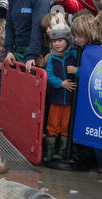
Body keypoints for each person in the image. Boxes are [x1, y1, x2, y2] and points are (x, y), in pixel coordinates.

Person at [43, 23, 78, 162]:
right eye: (54, 41)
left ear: (67, 41)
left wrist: (76, 70)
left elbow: (82, 69)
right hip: (56, 98)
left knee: (66, 125)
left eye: (60, 40)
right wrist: (61, 83)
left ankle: (62, 151)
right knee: (52, 124)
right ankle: (50, 151)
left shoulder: (74, 55)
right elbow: (49, 75)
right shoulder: (52, 57)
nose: (56, 44)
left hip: (69, 99)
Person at [4, 0, 50, 72]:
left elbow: (37, 27)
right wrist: (9, 50)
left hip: (34, 53)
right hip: (16, 52)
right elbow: (9, 25)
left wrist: (32, 55)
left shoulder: (41, 2)